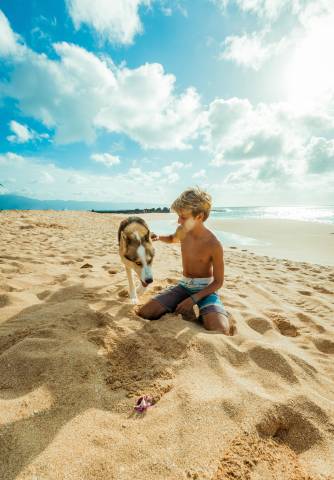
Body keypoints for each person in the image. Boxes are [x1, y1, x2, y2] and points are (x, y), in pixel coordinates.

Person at [137, 187, 235, 335]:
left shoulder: (214, 244)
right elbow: (172, 238)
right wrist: (158, 237)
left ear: (199, 216)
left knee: (220, 330)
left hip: (205, 290)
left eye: (183, 216)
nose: (178, 220)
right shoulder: (182, 231)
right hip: (183, 286)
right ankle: (181, 303)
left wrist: (193, 300)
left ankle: (212, 310)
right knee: (145, 312)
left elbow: (218, 282)